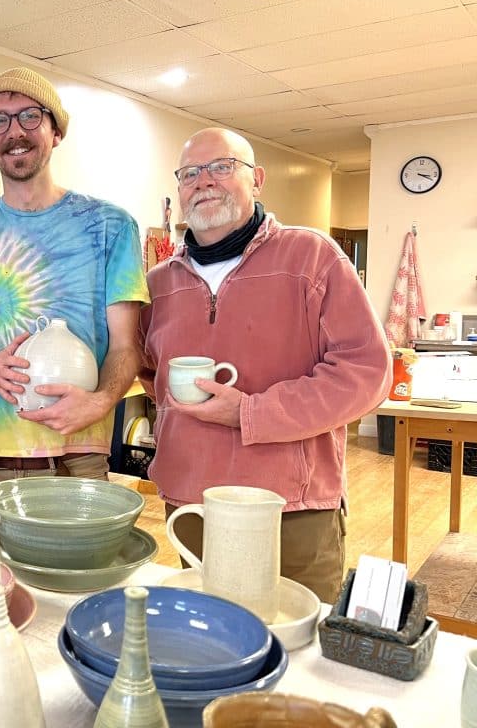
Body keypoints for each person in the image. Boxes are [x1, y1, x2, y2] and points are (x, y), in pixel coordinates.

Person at [135, 127, 392, 602]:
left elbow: (367, 371)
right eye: (190, 173)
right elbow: (152, 373)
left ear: (257, 179)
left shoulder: (312, 258)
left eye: (221, 167)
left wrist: (250, 413)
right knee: (206, 642)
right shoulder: (156, 285)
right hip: (190, 505)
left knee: (295, 653)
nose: (204, 181)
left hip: (290, 509)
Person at [0, 67, 148, 552]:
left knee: (77, 601)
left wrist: (101, 400)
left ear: (56, 130)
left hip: (78, 457)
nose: (15, 132)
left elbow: (128, 346)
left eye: (29, 115)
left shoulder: (110, 227)